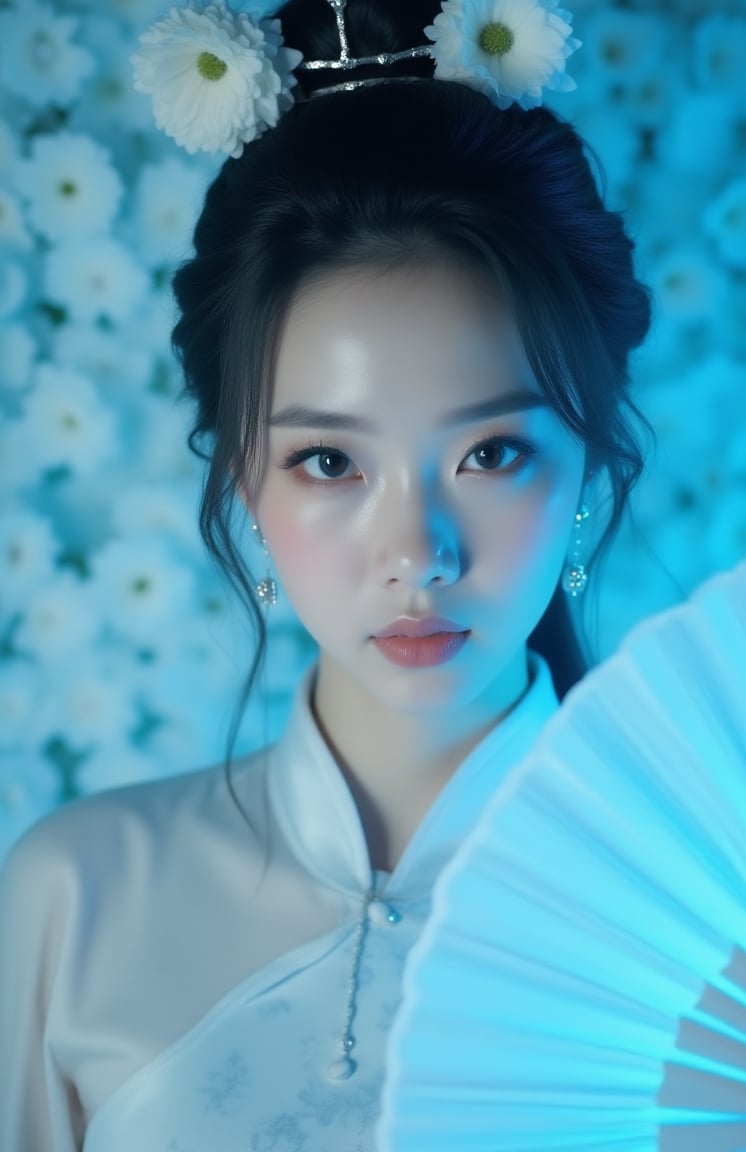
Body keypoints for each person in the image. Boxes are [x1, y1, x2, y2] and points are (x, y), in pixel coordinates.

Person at [0, 1, 653, 1148]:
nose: (417, 554)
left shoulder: (714, 907)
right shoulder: (75, 896)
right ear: (247, 485)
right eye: (328, 462)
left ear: (588, 470)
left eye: (490, 453)